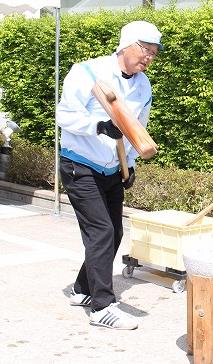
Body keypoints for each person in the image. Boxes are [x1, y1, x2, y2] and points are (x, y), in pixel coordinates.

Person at [56, 21, 163, 330]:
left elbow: (135, 130)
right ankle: (102, 307)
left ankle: (82, 289)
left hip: (112, 168)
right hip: (80, 164)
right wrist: (99, 126)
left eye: (154, 54)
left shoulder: (143, 87)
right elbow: (64, 115)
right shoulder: (88, 72)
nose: (148, 59)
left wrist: (129, 165)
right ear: (126, 45)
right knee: (101, 232)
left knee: (114, 232)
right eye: (145, 50)